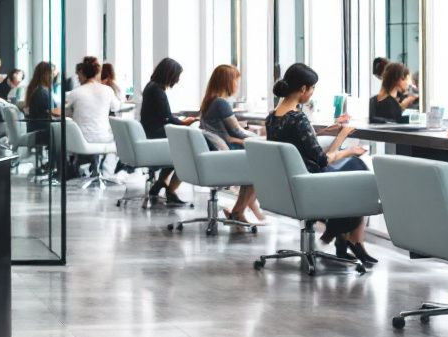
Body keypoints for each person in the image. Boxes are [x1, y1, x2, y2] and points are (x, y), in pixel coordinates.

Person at [265, 63, 375, 265]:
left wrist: (326, 132)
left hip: (290, 182)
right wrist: (346, 143)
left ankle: (341, 236)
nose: (313, 93)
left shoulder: (272, 118)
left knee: (351, 169)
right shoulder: (298, 118)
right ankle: (350, 238)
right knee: (358, 167)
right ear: (303, 89)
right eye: (313, 88)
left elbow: (299, 145)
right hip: (309, 182)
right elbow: (322, 160)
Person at [199, 64, 262, 224]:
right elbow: (237, 132)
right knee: (260, 168)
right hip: (225, 153)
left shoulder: (208, 101)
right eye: (236, 81)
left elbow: (227, 135)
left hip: (214, 152)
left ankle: (246, 209)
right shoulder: (221, 103)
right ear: (227, 82)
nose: (237, 85)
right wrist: (258, 138)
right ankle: (239, 211)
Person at [139, 57, 196, 203]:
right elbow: (167, 117)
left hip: (150, 132)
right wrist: (184, 123)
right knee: (184, 152)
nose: (177, 80)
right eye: (177, 76)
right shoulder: (157, 90)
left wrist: (180, 121)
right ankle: (170, 190)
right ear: (169, 74)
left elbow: (164, 116)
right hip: (156, 135)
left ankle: (160, 183)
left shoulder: (150, 86)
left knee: (178, 151)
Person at [63, 56, 118, 144]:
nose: (77, 78)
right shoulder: (108, 90)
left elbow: (65, 113)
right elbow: (116, 107)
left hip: (81, 140)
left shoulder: (75, 92)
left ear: (82, 73)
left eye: (78, 75)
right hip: (104, 138)